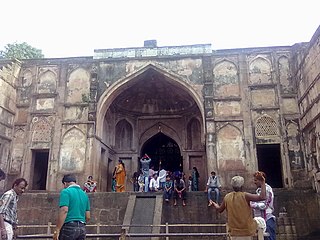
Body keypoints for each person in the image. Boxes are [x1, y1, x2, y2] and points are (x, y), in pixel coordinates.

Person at [210, 174, 266, 240]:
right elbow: (262, 197)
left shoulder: (227, 197)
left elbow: (219, 210)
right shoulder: (245, 196)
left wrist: (214, 204)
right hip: (247, 230)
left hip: (234, 232)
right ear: (242, 186)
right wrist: (262, 183)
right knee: (261, 221)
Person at [53, 174, 90, 240]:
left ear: (65, 183)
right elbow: (88, 216)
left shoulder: (66, 192)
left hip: (69, 226)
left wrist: (57, 229)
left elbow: (64, 210)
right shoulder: (84, 194)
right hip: (82, 227)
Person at [250, 171, 276, 240]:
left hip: (267, 219)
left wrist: (252, 204)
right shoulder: (258, 190)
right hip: (260, 220)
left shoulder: (268, 189)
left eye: (256, 180)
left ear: (261, 180)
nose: (254, 182)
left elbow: (265, 205)